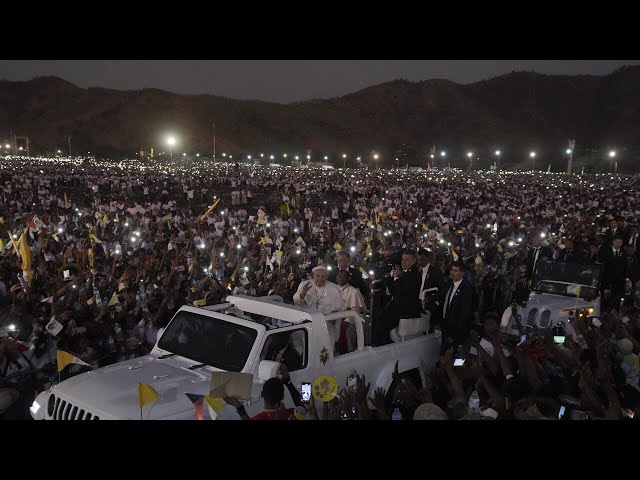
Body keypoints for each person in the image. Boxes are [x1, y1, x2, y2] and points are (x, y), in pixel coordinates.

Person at [374, 249, 421, 345]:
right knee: (378, 318)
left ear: (414, 261)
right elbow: (392, 289)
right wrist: (392, 277)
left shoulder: (414, 274)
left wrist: (396, 278)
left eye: (407, 259)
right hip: (397, 305)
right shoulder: (404, 272)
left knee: (382, 325)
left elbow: (399, 291)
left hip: (406, 307)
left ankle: (383, 346)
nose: (403, 262)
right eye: (403, 259)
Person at [441, 261, 473, 352]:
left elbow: (464, 314)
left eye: (456, 271)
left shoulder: (466, 289)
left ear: (462, 273)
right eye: (452, 270)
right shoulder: (449, 284)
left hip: (455, 332)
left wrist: (454, 335)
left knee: (453, 356)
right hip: (445, 326)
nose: (452, 273)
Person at [335, 270, 365, 353]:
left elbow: (356, 309)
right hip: (335, 320)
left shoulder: (354, 291)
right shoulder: (333, 289)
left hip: (347, 321)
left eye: (343, 276)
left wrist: (348, 321)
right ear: (336, 278)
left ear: (348, 278)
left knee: (348, 344)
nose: (341, 278)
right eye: (339, 276)